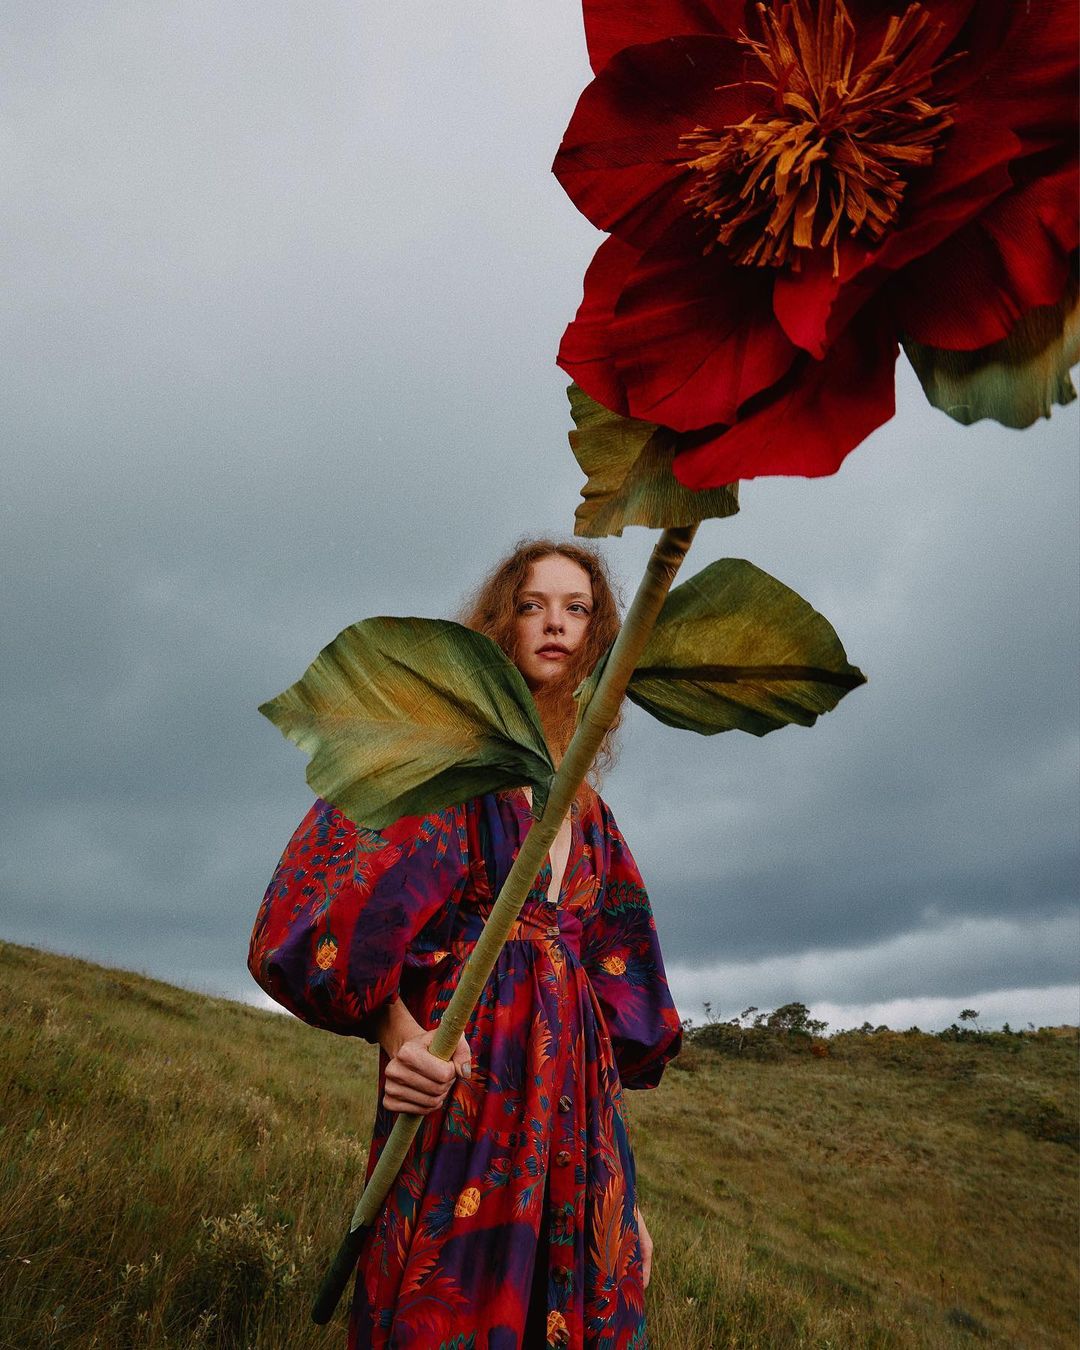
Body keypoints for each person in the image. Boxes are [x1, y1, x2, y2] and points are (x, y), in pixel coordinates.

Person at [249, 540, 683, 1350]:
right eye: (532, 605)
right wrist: (399, 1034)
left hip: (575, 1116)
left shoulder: (590, 817)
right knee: (449, 1302)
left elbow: (604, 1007)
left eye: (578, 609)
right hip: (465, 1079)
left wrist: (626, 1198)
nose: (555, 623)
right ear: (499, 625)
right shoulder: (446, 764)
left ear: (600, 639)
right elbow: (337, 902)